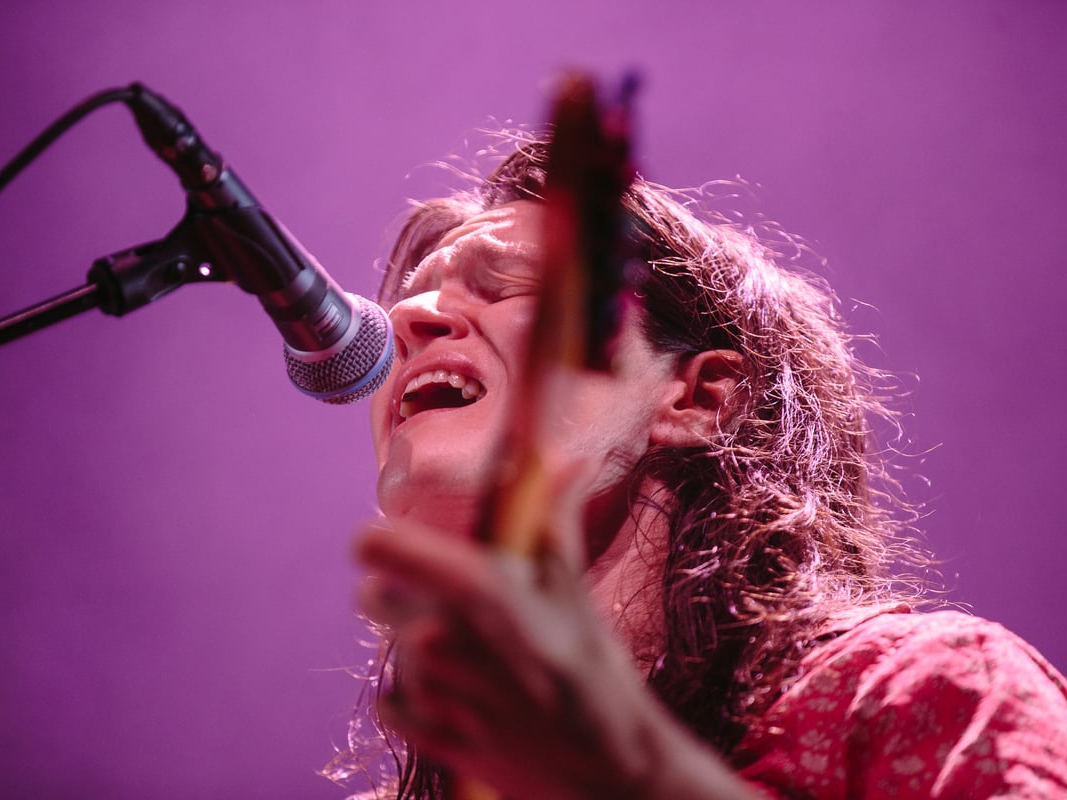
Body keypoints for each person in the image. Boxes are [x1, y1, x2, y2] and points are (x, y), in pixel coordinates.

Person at [332, 138, 1067, 799]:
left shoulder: (920, 692)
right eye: (411, 298)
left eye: (510, 284)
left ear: (700, 396)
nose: (409, 319)